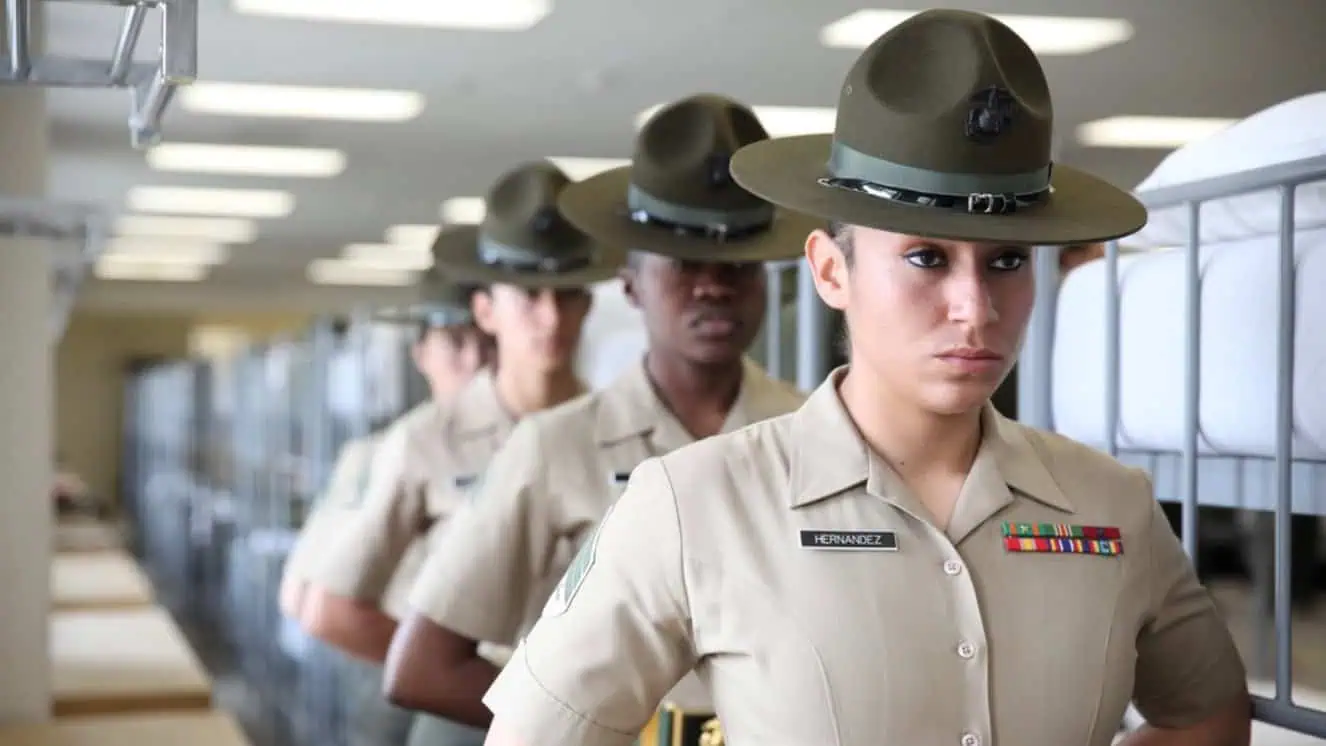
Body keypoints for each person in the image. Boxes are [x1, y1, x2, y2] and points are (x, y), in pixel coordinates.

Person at [480, 10, 1252, 746]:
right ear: (830, 270)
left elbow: (1206, 714)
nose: (973, 309)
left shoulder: (1110, 504)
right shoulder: (695, 505)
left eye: (1007, 261)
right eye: (926, 258)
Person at [380, 94, 817, 741]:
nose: (713, 285)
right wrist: (631, 732)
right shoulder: (556, 447)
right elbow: (422, 669)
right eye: (685, 262)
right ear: (632, 282)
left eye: (737, 264)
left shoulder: (813, 432)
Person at [298, 160, 623, 745]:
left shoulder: (622, 431)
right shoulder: (425, 442)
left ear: (587, 303)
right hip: (471, 720)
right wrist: (453, 666)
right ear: (485, 310)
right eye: (527, 296)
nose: (549, 316)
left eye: (567, 293)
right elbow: (332, 609)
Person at [280, 273, 490, 624]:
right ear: (422, 355)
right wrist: (428, 665)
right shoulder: (378, 456)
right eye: (455, 343)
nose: (474, 362)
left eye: (488, 346)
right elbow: (301, 594)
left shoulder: (525, 447)